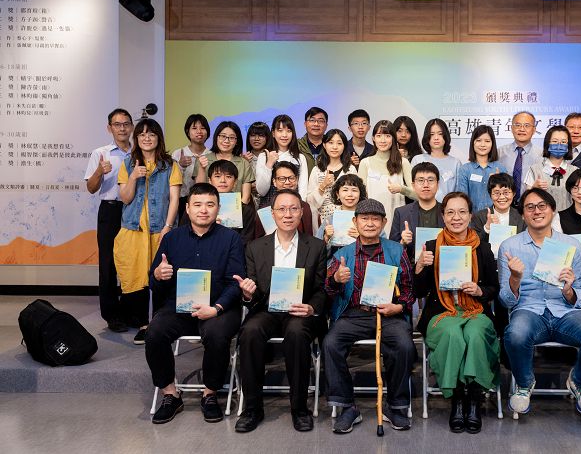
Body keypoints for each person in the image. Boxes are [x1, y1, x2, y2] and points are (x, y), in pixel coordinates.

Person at [498, 188, 581, 417]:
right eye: (530, 207)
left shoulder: (571, 245)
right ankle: (524, 384)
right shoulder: (509, 247)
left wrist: (569, 291)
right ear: (523, 214)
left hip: (566, 312)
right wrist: (515, 278)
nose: (536, 211)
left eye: (542, 206)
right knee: (515, 334)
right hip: (528, 311)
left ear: (553, 210)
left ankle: (580, 382)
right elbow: (506, 300)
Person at [147, 183, 244, 425]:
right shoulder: (172, 238)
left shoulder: (231, 238)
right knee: (154, 333)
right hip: (179, 307)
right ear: (187, 208)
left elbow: (236, 283)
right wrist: (158, 274)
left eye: (210, 205)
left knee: (217, 334)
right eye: (197, 204)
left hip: (218, 308)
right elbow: (154, 281)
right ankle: (171, 394)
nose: (203, 210)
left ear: (218, 208)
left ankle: (210, 394)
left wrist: (216, 308)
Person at [234, 189, 328, 433]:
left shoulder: (316, 246)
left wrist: (312, 307)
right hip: (267, 309)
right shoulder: (255, 247)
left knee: (296, 333)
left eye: (294, 209)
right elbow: (253, 291)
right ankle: (252, 408)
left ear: (301, 213)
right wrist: (247, 293)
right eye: (282, 209)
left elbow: (321, 289)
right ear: (272, 214)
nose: (288, 214)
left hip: (300, 311)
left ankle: (299, 408)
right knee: (250, 331)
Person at [323, 199, 416, 434]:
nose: (370, 223)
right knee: (331, 343)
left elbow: (408, 289)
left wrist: (398, 307)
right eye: (364, 218)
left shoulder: (397, 251)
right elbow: (328, 291)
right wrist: (336, 279)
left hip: (389, 314)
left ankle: (395, 406)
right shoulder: (342, 254)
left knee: (404, 345)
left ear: (384, 222)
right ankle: (347, 407)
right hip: (354, 313)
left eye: (376, 219)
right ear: (355, 221)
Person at [414, 192, 500, 434]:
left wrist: (479, 290)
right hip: (442, 312)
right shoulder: (432, 247)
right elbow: (418, 291)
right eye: (450, 212)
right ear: (443, 216)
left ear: (470, 216)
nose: (456, 217)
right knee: (453, 334)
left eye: (462, 212)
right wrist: (420, 266)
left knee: (475, 334)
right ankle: (457, 400)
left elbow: (493, 288)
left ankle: (473, 399)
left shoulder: (483, 248)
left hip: (475, 309)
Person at [115, 118, 182, 345]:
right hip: (133, 230)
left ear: (158, 138)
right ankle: (143, 324)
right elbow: (125, 198)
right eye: (142, 134)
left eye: (151, 134)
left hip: (159, 229)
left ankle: (160, 323)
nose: (146, 138)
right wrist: (134, 176)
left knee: (161, 276)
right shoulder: (127, 164)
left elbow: (174, 199)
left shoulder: (170, 165)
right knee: (136, 277)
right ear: (136, 138)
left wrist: (168, 227)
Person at [84, 108, 133, 332]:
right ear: (109, 128)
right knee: (108, 264)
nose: (122, 128)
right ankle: (112, 315)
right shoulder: (100, 153)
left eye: (126, 124)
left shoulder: (140, 152)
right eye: (117, 124)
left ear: (131, 127)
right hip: (110, 210)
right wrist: (99, 172)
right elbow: (91, 188)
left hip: (133, 210)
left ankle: (131, 310)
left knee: (133, 262)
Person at [179, 160, 258, 246]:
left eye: (228, 176)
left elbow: (245, 242)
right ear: (210, 180)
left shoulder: (245, 210)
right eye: (217, 176)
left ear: (235, 182)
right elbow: (183, 235)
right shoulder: (196, 207)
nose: (223, 180)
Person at [357, 120, 416, 233]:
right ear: (373, 138)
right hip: (371, 221)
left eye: (387, 136)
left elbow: (418, 195)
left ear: (393, 138)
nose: (383, 140)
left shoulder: (403, 162)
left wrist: (401, 189)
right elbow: (360, 196)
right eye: (379, 136)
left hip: (396, 219)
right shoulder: (365, 163)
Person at [390, 162, 445, 261]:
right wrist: (403, 242)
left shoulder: (448, 211)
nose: (426, 185)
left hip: (441, 266)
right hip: (411, 267)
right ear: (413, 185)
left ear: (438, 184)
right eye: (421, 180)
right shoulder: (401, 213)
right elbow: (391, 251)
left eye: (430, 180)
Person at [194, 121, 255, 205]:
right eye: (223, 136)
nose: (226, 141)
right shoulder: (203, 160)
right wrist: (201, 168)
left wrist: (237, 211)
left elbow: (246, 197)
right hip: (207, 209)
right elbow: (199, 191)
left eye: (231, 137)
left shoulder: (244, 163)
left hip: (236, 209)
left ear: (237, 141)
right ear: (216, 137)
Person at [255, 115, 309, 208]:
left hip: (293, 208)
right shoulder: (264, 156)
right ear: (273, 133)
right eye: (280, 130)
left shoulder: (300, 158)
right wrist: (269, 164)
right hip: (269, 208)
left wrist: (299, 208)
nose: (284, 135)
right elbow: (261, 191)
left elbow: (303, 190)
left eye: (288, 131)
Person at [306, 129, 353, 233]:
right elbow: (309, 201)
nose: (335, 147)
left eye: (339, 143)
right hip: (322, 220)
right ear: (324, 145)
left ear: (344, 146)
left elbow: (357, 196)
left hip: (346, 220)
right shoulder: (317, 170)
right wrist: (323, 185)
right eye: (331, 143)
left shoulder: (350, 169)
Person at [523, 125, 578, 211]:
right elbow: (525, 200)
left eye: (563, 142)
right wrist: (534, 188)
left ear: (568, 145)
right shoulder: (534, 169)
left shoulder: (575, 171)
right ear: (547, 144)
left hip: (567, 217)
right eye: (555, 141)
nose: (559, 145)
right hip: (541, 217)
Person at [455, 125, 508, 213]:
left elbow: (506, 196)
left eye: (487, 141)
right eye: (478, 140)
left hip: (496, 217)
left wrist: (497, 182)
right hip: (473, 217)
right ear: (473, 143)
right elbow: (462, 199)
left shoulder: (500, 168)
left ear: (492, 144)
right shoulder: (465, 169)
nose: (483, 145)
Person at [171, 113, 212, 222]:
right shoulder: (178, 154)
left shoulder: (212, 155)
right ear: (187, 132)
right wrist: (180, 166)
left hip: (205, 201)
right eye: (194, 128)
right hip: (182, 202)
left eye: (202, 128)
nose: (199, 131)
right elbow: (170, 181)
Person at [317, 174, 368, 257]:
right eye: (345, 190)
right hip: (335, 262)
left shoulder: (369, 218)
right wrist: (326, 238)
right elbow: (316, 251)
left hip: (362, 262)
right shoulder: (330, 220)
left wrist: (364, 238)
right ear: (337, 194)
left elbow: (382, 246)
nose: (350, 194)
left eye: (354, 190)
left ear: (360, 194)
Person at [411, 118, 462, 202]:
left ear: (445, 136)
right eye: (432, 134)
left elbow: (458, 192)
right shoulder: (418, 160)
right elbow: (412, 189)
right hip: (422, 207)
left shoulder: (455, 163)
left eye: (440, 134)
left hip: (447, 208)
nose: (436, 138)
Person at [470, 173, 524, 243]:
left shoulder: (521, 216)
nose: (502, 197)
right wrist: (487, 228)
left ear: (513, 194)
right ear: (490, 195)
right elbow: (474, 243)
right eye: (496, 193)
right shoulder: (479, 216)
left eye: (506, 192)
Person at [498, 111, 538, 204]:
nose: (522, 129)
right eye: (518, 125)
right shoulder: (499, 153)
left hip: (531, 205)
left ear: (534, 130)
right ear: (511, 128)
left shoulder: (541, 155)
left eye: (527, 125)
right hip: (504, 204)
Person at [268, 161, 314, 235]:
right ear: (274, 182)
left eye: (291, 178)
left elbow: (308, 236)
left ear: (297, 179)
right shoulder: (265, 210)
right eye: (282, 178)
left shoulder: (305, 207)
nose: (287, 182)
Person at [298, 107, 328, 174]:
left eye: (320, 121)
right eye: (312, 120)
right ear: (305, 124)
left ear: (326, 125)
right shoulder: (296, 145)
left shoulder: (332, 145)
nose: (316, 124)